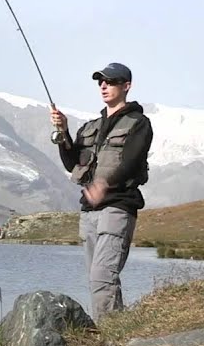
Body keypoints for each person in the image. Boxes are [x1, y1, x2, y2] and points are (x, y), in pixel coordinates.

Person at [50, 62, 153, 319]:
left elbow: (131, 162)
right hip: (89, 211)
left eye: (111, 81)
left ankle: (108, 334)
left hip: (119, 206)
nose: (104, 85)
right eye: (100, 82)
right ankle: (117, 331)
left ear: (126, 86)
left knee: (102, 276)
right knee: (98, 278)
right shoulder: (89, 127)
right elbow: (72, 162)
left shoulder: (139, 123)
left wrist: (104, 185)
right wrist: (63, 132)